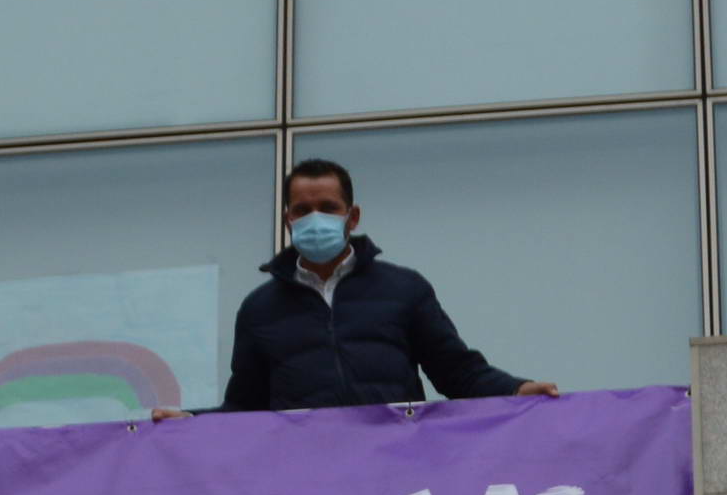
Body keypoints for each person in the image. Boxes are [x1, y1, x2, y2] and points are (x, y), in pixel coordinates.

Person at [217, 158, 562, 413]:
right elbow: (243, 407)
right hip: (306, 476)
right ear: (288, 220)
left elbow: (457, 373)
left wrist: (516, 391)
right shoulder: (259, 308)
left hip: (396, 469)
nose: (315, 219)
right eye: (303, 210)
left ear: (352, 217)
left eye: (328, 208)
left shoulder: (402, 289)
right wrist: (185, 424)